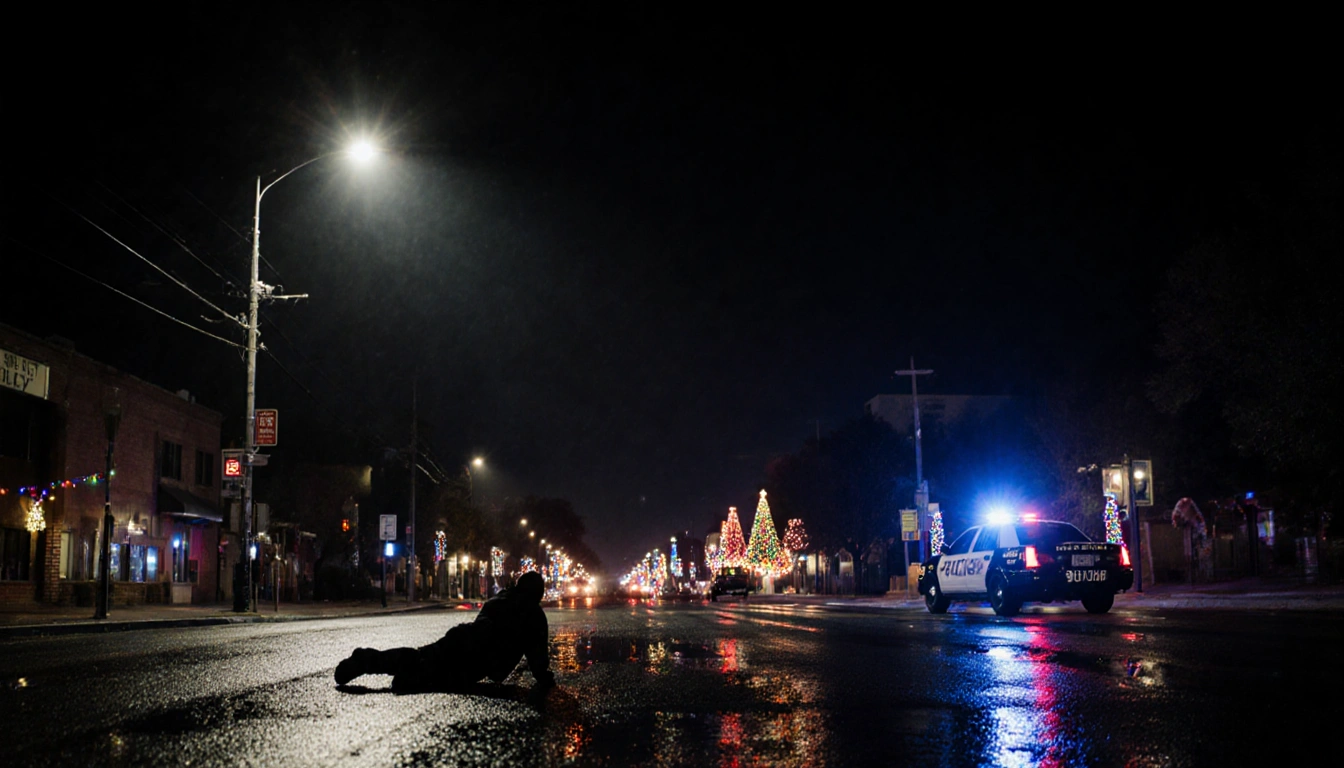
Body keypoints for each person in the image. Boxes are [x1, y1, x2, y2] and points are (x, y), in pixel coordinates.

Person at [335, 570, 555, 692]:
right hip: (477, 661)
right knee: (436, 675)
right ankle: (399, 675)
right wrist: (544, 678)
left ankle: (370, 660)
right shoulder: (534, 616)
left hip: (461, 638)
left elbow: (482, 625)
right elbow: (538, 659)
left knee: (422, 658)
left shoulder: (500, 599)